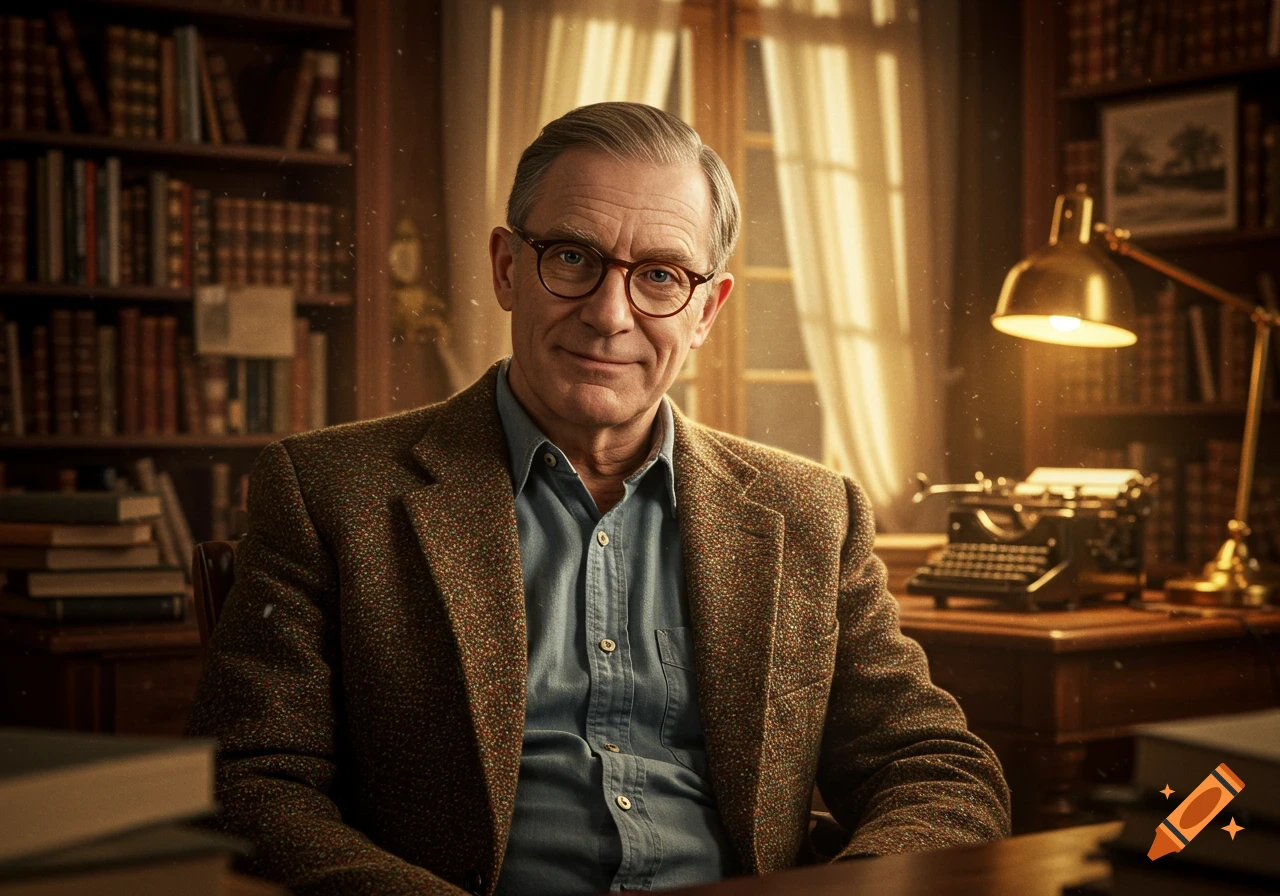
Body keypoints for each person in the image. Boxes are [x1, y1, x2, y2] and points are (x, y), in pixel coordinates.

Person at [186, 101, 1010, 896]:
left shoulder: (810, 513)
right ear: (508, 268)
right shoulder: (332, 490)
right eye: (573, 258)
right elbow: (252, 780)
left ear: (706, 311)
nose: (610, 315)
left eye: (659, 275)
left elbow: (933, 766)